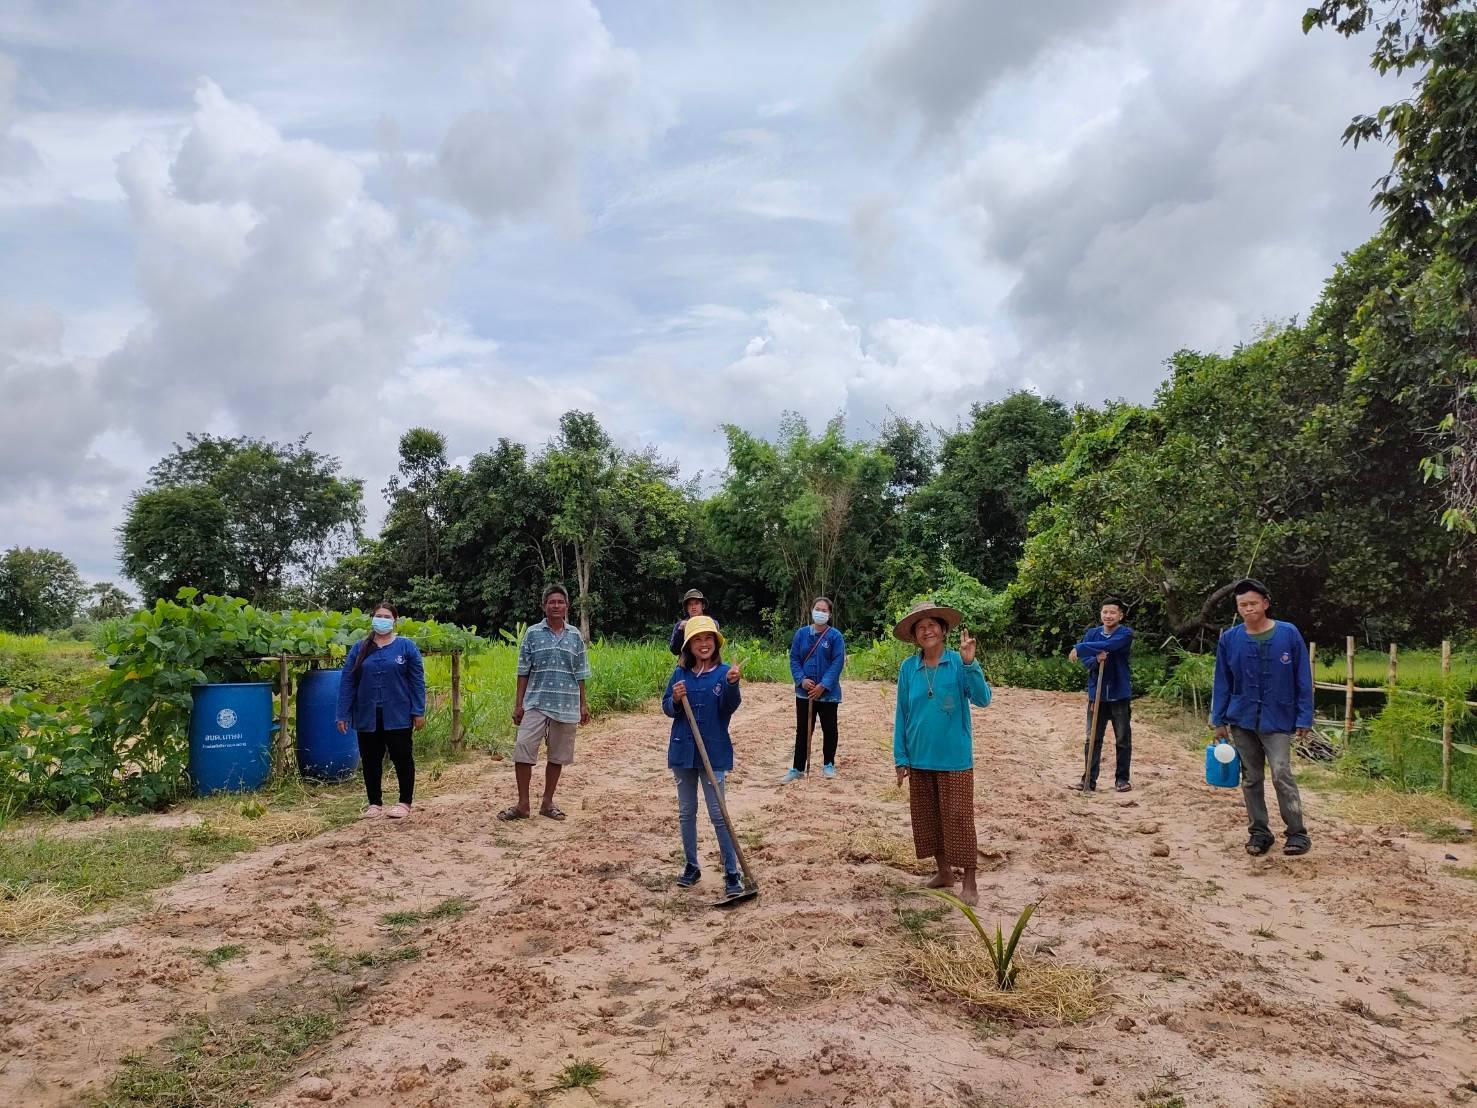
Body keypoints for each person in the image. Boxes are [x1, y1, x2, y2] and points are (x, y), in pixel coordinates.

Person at [892, 601, 992, 906]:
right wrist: (900, 757)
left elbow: (983, 699)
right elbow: (902, 713)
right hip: (919, 756)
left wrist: (971, 664)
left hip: (954, 758)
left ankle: (970, 881)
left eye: (932, 625)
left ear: (944, 629)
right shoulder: (908, 668)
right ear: (914, 636)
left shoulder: (959, 663)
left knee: (959, 817)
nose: (927, 631)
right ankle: (944, 872)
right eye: (920, 627)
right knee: (928, 818)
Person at [1211, 578, 1313, 857]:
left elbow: (1303, 677)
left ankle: (1297, 833)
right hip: (1241, 718)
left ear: (1266, 603)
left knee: (1281, 773)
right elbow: (1222, 681)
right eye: (1242, 605)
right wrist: (1218, 720)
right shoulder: (1229, 639)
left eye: (1253, 603)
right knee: (1251, 777)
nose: (1248, 609)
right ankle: (1259, 832)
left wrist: (1304, 717)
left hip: (1278, 717)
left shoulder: (1288, 634)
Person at [661, 615, 745, 898]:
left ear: (716, 643)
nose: (704, 644)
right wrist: (675, 699)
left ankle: (731, 872)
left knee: (718, 814)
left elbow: (728, 707)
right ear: (688, 645)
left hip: (713, 751)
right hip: (683, 751)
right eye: (697, 639)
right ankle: (691, 865)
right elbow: (667, 708)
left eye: (708, 638)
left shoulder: (724, 674)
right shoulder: (680, 674)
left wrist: (732, 685)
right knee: (687, 812)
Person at [499, 583, 590, 822]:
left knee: (557, 756)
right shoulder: (532, 634)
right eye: (551, 602)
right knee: (523, 750)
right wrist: (518, 704)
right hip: (535, 702)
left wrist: (583, 704)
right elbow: (522, 671)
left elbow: (581, 673)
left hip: (566, 703)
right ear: (543, 606)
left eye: (560, 602)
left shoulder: (575, 636)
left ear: (567, 606)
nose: (556, 606)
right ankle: (523, 805)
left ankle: (547, 803)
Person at [336, 602, 426, 820]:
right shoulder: (359, 648)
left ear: (394, 621)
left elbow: (417, 682)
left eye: (387, 617)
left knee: (402, 757)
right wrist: (343, 713)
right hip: (367, 714)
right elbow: (348, 682)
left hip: (398, 714)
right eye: (379, 616)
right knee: (370, 759)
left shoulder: (406, 647)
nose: (382, 620)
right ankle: (374, 804)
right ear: (372, 619)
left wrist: (418, 711)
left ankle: (404, 802)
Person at [1068, 598, 1135, 792]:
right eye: (1105, 612)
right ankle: (1088, 779)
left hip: (1119, 694)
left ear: (1120, 615)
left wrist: (1080, 648)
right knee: (1093, 739)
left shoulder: (1125, 634)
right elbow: (1087, 662)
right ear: (1101, 614)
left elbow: (1112, 645)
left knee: (1122, 739)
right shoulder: (1092, 633)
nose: (1108, 616)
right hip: (1096, 695)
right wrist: (1096, 659)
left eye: (1113, 612)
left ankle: (1122, 779)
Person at [781, 597, 846, 783]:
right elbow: (794, 659)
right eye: (818, 609)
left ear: (830, 614)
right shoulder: (801, 634)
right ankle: (797, 768)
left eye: (824, 610)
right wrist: (801, 680)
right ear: (812, 610)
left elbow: (837, 662)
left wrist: (823, 685)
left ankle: (828, 764)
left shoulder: (835, 637)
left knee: (830, 729)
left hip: (828, 694)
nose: (820, 613)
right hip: (804, 693)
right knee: (803, 730)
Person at [668, 589, 718, 656]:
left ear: (703, 606)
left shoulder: (712, 623)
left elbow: (717, 647)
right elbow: (674, 650)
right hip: (686, 661)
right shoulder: (680, 625)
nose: (693, 607)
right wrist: (680, 630)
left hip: (708, 660)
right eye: (690, 604)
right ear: (686, 608)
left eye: (696, 603)